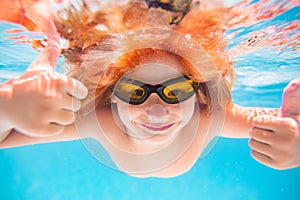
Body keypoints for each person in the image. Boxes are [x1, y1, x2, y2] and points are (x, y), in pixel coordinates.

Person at [0, 0, 299, 177]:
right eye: (135, 91)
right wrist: (7, 106)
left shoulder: (204, 117)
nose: (157, 110)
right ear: (112, 97)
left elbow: (276, 120)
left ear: (197, 91)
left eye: (176, 90)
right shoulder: (99, 119)